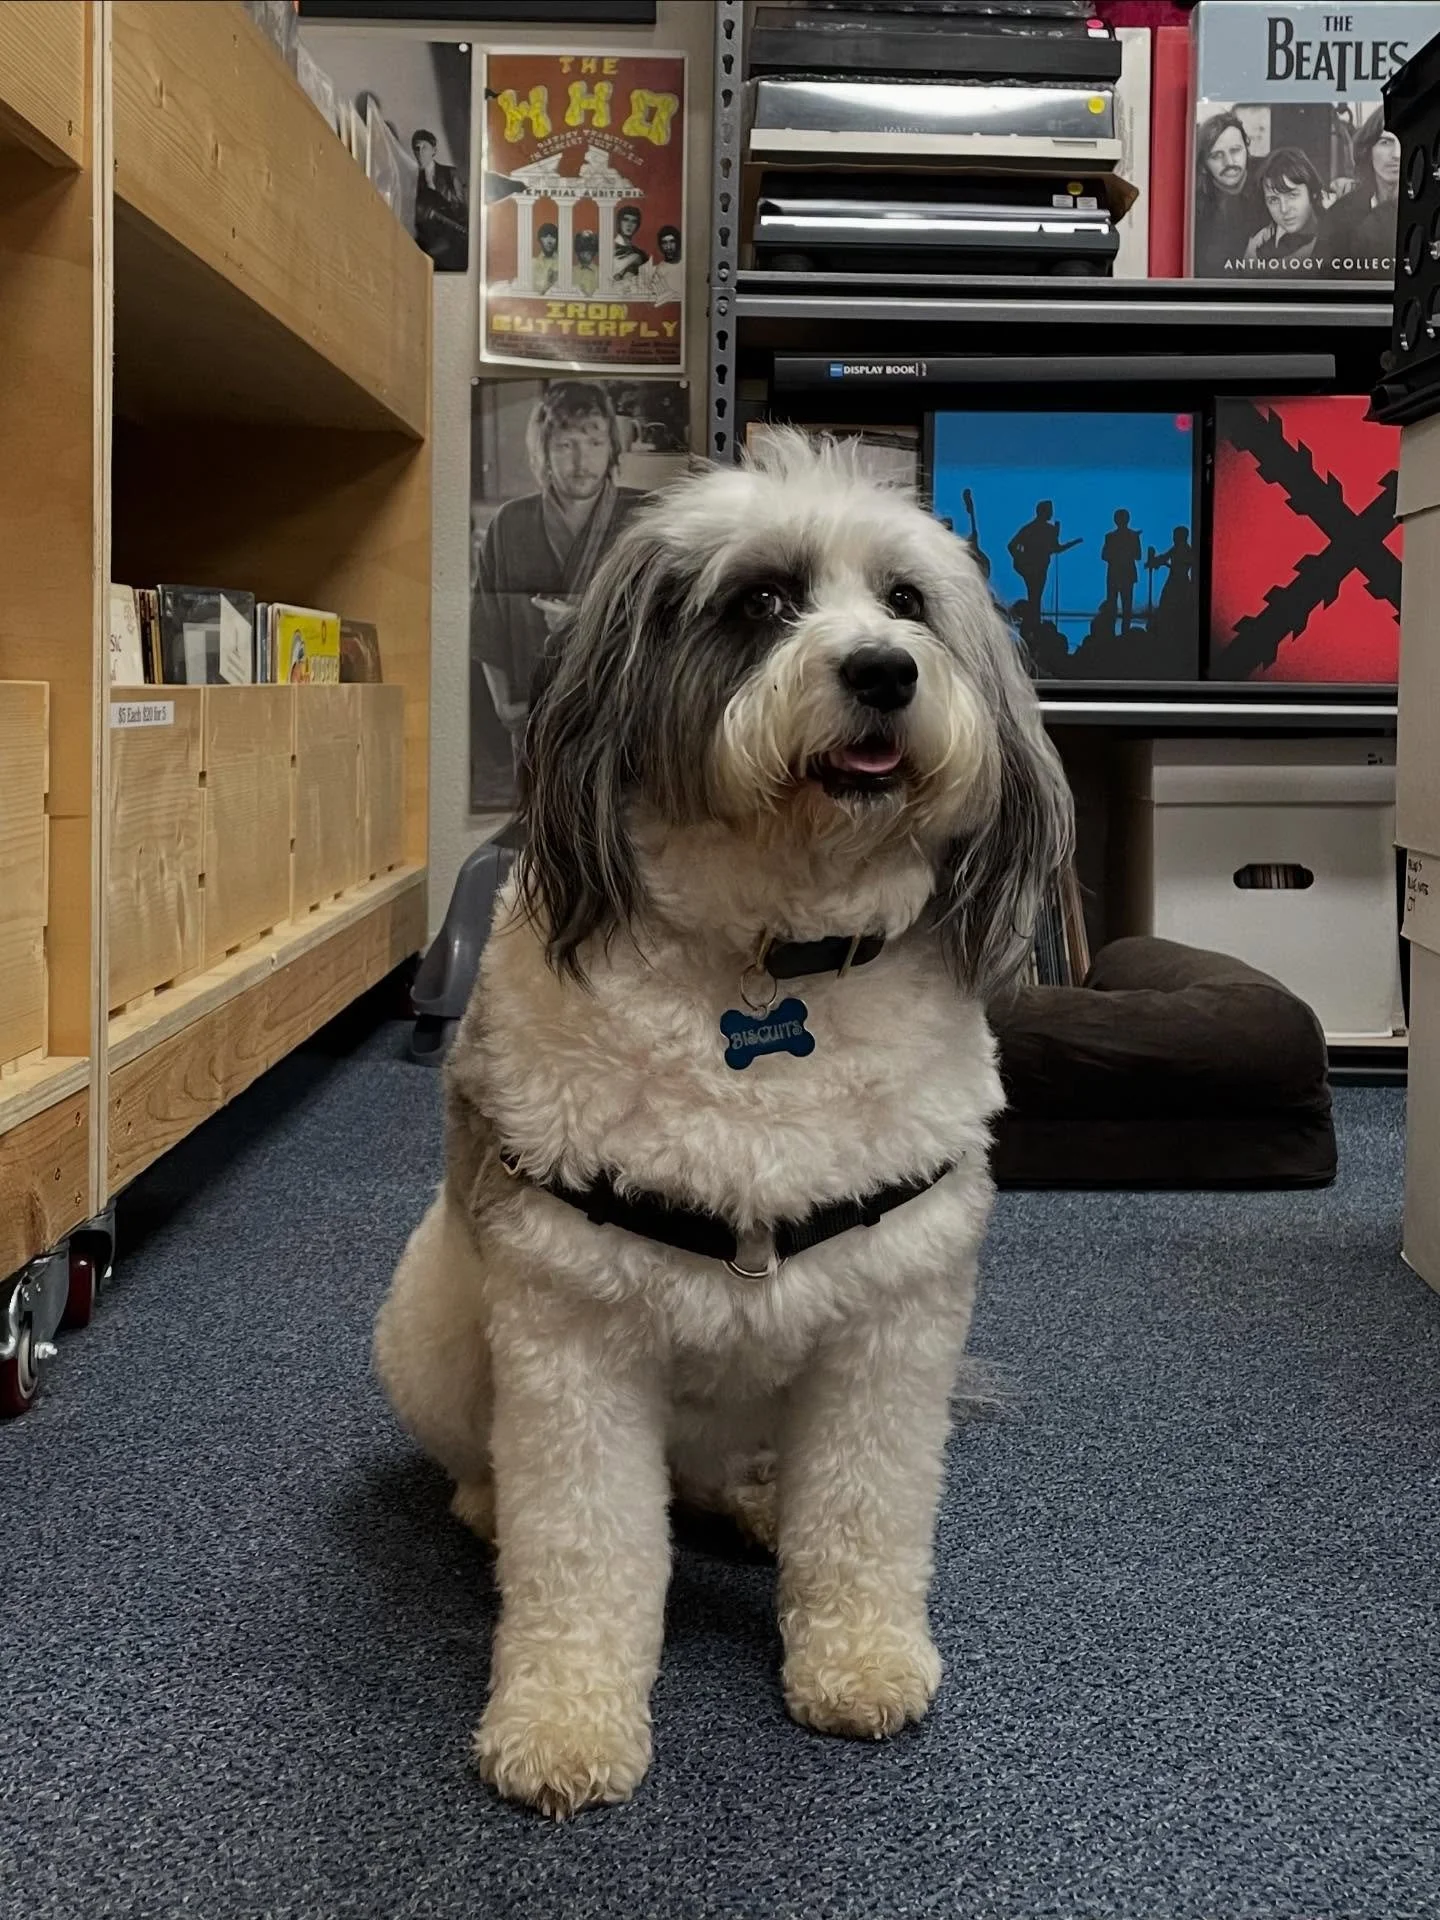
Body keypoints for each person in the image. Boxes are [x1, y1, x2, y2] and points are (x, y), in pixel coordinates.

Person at [472, 383, 648, 781]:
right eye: (566, 445)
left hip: (623, 722)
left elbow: (671, 626)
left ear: (612, 449)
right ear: (544, 454)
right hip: (533, 721)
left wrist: (581, 621)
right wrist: (505, 706)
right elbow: (487, 623)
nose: (581, 460)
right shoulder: (510, 524)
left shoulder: (647, 515)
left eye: (594, 442)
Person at [1326, 108, 1402, 276]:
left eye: (1405, 141)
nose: (1396, 154)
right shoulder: (1339, 216)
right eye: (1385, 142)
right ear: (1368, 150)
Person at [1193, 111, 1267, 277]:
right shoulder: (1195, 205)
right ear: (1203, 166)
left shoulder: (1270, 174)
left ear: (1247, 150)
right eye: (1216, 155)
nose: (1229, 163)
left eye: (1235, 151)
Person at [1007, 501, 1082, 639]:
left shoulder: (1033, 528)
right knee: (1035, 596)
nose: (1052, 513)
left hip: (1037, 568)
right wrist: (1022, 558)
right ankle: (1034, 626)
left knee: (1035, 596)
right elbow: (1012, 546)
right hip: (1035, 568)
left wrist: (1069, 541)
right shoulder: (1037, 529)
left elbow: (1053, 549)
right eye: (1050, 510)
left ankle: (1033, 625)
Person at [1244, 147, 1327, 267]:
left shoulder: (1338, 233)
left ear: (1313, 193)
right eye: (1273, 200)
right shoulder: (1261, 245)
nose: (1284, 209)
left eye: (1292, 195)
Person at [411, 128, 467, 272]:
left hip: (452, 234)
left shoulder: (450, 173)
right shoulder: (411, 178)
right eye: (416, 148)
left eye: (424, 147)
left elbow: (462, 207)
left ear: (434, 151)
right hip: (428, 239)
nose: (420, 152)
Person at [1100, 509, 1141, 632]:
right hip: (1125, 574)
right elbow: (1138, 555)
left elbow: (1104, 555)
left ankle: (1112, 634)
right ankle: (1124, 636)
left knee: (1116, 607)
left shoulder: (1110, 537)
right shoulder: (1133, 536)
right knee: (1125, 608)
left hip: (1116, 574)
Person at [643, 223, 682, 301]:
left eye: (672, 242)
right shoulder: (660, 269)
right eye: (665, 243)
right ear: (661, 246)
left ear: (678, 243)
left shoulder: (686, 263)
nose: (668, 247)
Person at [614, 204, 648, 283]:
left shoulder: (641, 254)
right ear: (619, 222)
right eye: (625, 220)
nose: (629, 224)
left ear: (637, 226)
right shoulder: (608, 247)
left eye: (634, 221)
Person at [532, 221, 560, 293]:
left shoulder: (563, 264)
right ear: (540, 239)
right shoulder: (532, 263)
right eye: (545, 236)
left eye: (553, 236)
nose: (549, 241)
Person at [573, 229, 600, 294]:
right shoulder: (571, 272)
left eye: (589, 250)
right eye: (582, 250)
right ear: (577, 251)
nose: (585, 254)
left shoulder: (600, 272)